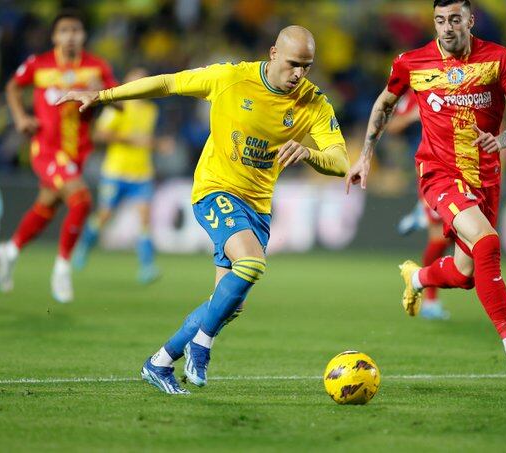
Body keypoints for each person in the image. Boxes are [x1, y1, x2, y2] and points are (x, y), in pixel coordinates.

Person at [58, 26, 349, 394]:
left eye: (307, 66)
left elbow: (341, 161)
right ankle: (201, 345)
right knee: (252, 264)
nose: (299, 74)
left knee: (228, 304)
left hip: (258, 206)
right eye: (293, 63)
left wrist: (309, 153)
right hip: (215, 189)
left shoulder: (313, 103)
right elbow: (168, 83)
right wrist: (103, 95)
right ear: (273, 53)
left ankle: (160, 362)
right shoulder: (230, 78)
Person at [346, 0, 506, 373]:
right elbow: (385, 104)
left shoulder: (498, 59)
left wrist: (500, 141)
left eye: (454, 19)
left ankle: (417, 277)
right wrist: (365, 155)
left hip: (485, 178)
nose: (447, 27)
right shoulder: (413, 62)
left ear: (470, 20)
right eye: (440, 20)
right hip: (439, 174)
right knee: (487, 241)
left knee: (466, 274)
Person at [0, 10, 117, 303]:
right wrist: (21, 117)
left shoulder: (96, 66)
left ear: (84, 36)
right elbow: (12, 86)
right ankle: (62, 268)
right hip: (46, 150)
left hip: (77, 153)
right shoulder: (39, 64)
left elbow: (119, 100)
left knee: (46, 205)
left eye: (76, 30)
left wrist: (99, 92)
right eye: (64, 30)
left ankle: (9, 251)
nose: (70, 36)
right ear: (54, 36)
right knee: (81, 199)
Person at [72, 67, 161, 284]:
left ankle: (147, 266)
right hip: (116, 171)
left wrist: (156, 144)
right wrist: (131, 139)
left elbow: (146, 139)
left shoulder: (151, 110)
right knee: (104, 216)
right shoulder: (119, 106)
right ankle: (83, 247)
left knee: (145, 220)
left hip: (142, 173)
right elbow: (99, 134)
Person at [389, 92, 453, 320]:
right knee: (440, 236)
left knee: (449, 237)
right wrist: (414, 115)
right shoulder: (416, 92)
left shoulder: (459, 84)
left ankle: (422, 212)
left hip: (461, 160)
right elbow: (393, 126)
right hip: (432, 163)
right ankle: (430, 301)